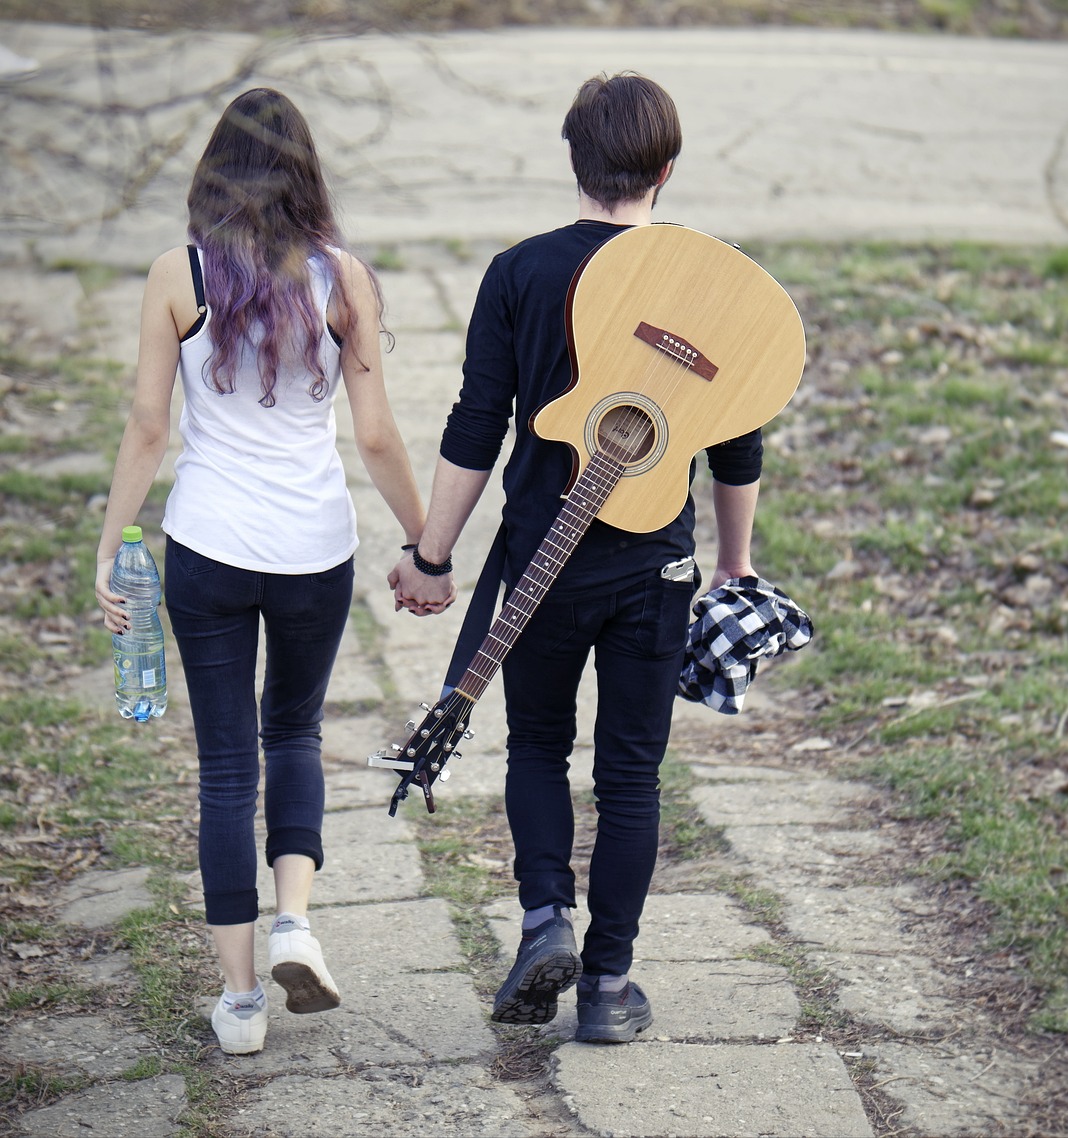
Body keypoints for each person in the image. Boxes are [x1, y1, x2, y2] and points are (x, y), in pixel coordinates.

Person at [390, 72, 764, 1043]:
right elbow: (737, 447)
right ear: (666, 170)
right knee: (631, 776)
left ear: (574, 160)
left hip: (543, 567)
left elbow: (477, 423)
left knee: (537, 748)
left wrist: (432, 553)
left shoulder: (520, 272)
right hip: (655, 569)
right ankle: (604, 990)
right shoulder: (704, 287)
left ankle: (543, 916)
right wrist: (733, 565)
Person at [95, 88, 426, 1056]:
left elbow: (150, 426)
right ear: (305, 175)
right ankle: (295, 920)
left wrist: (113, 543)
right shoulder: (341, 280)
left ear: (213, 173)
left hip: (208, 547)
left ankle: (240, 1003)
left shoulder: (177, 273)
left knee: (225, 767)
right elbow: (372, 433)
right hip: (313, 549)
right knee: (295, 731)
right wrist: (424, 541)